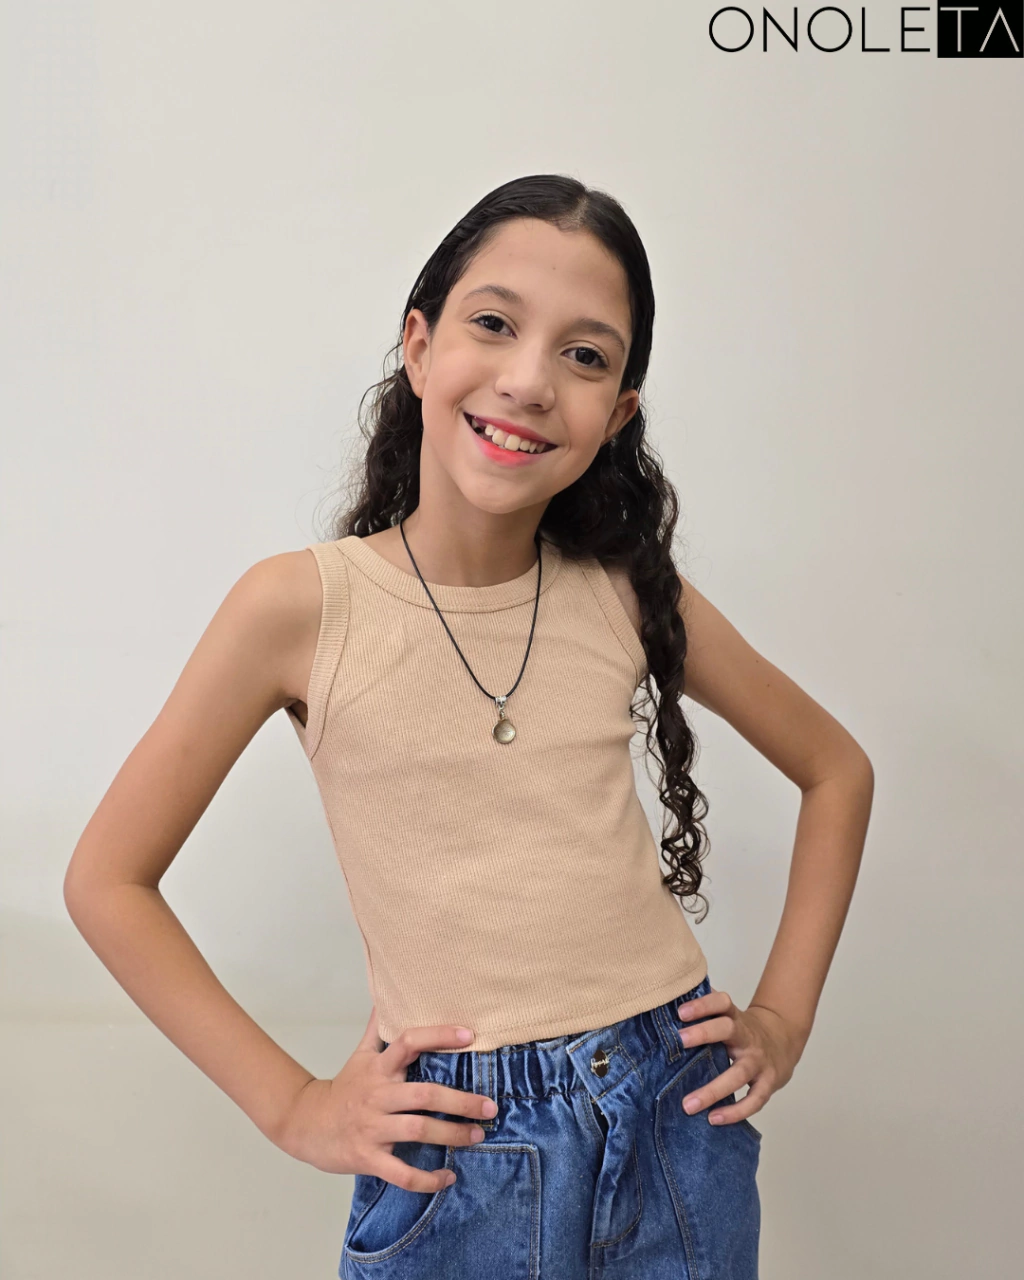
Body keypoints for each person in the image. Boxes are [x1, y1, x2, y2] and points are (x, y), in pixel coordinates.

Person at [64, 173, 874, 1279]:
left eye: (584, 355)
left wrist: (782, 1017)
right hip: (462, 1154)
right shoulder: (299, 608)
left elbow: (836, 768)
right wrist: (294, 1105)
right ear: (419, 345)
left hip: (676, 1119)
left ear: (618, 412)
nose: (529, 381)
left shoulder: (626, 590)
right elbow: (107, 879)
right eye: (493, 324)